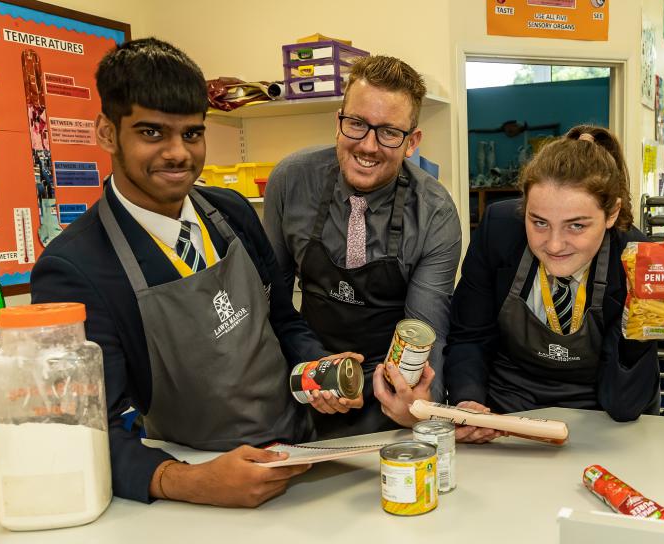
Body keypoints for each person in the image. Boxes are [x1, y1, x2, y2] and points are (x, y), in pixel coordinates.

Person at [30, 38, 343, 507]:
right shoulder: (74, 268)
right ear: (107, 133)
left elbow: (284, 321)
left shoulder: (232, 212)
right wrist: (189, 482)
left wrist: (314, 367)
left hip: (299, 450)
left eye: (192, 134)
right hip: (198, 477)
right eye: (152, 133)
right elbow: (87, 430)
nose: (178, 153)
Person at [444, 126, 664, 443]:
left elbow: (624, 405)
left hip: (598, 420)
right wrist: (470, 402)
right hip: (504, 416)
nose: (555, 244)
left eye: (576, 225)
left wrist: (642, 324)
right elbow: (470, 337)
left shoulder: (636, 258)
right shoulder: (499, 230)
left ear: (612, 213)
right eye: (538, 222)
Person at [264, 56, 461, 438]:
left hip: (387, 385)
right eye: (356, 124)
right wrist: (312, 367)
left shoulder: (435, 213)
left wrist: (416, 405)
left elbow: (426, 329)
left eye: (388, 132)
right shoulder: (291, 181)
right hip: (307, 370)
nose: (368, 146)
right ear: (338, 122)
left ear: (412, 142)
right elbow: (274, 304)